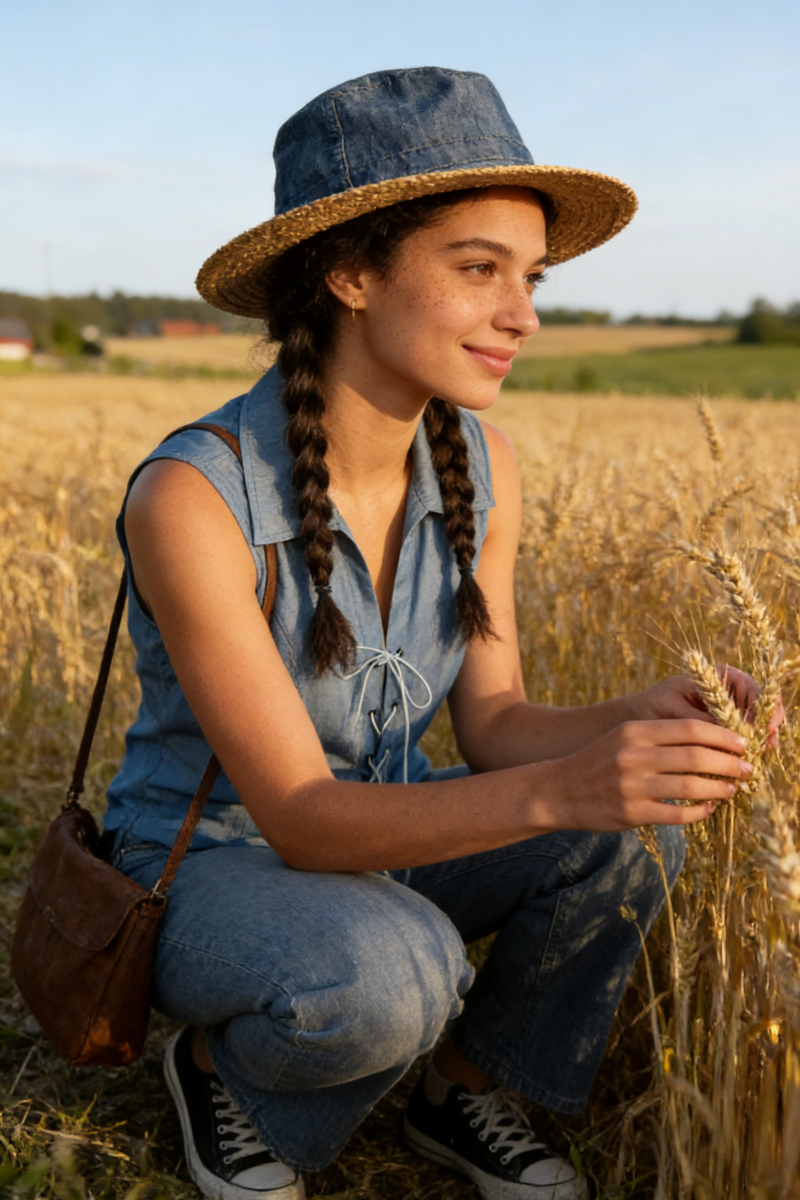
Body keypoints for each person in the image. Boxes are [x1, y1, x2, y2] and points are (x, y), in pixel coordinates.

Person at [104, 67, 763, 1200]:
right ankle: (219, 1070)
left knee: (635, 831)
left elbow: (495, 724)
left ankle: (463, 1088)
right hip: (220, 874)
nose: (523, 314)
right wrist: (565, 790)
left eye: (530, 278)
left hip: (391, 845)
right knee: (393, 974)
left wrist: (641, 721)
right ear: (349, 272)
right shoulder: (193, 496)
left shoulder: (481, 470)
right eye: (477, 270)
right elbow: (304, 823)